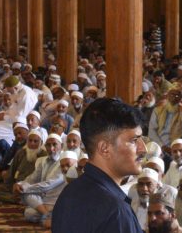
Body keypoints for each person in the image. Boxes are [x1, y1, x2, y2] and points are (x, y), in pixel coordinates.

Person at [51, 98, 147, 233]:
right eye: (134, 140)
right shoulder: (116, 211)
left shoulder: (69, 192)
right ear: (105, 148)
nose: (143, 149)